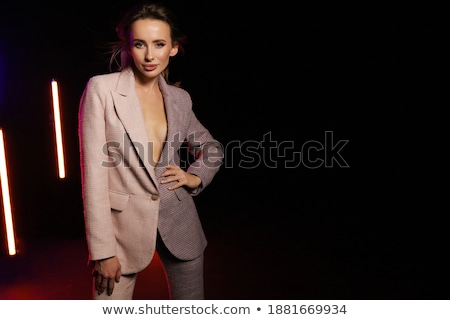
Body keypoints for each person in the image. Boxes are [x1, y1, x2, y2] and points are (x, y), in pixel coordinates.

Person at [78, 1, 224, 300]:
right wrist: (103, 251)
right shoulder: (101, 90)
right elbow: (93, 178)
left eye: (159, 44)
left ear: (173, 48)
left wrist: (194, 177)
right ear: (128, 47)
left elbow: (211, 149)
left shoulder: (180, 99)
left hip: (181, 226)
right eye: (140, 44)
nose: (149, 55)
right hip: (120, 233)